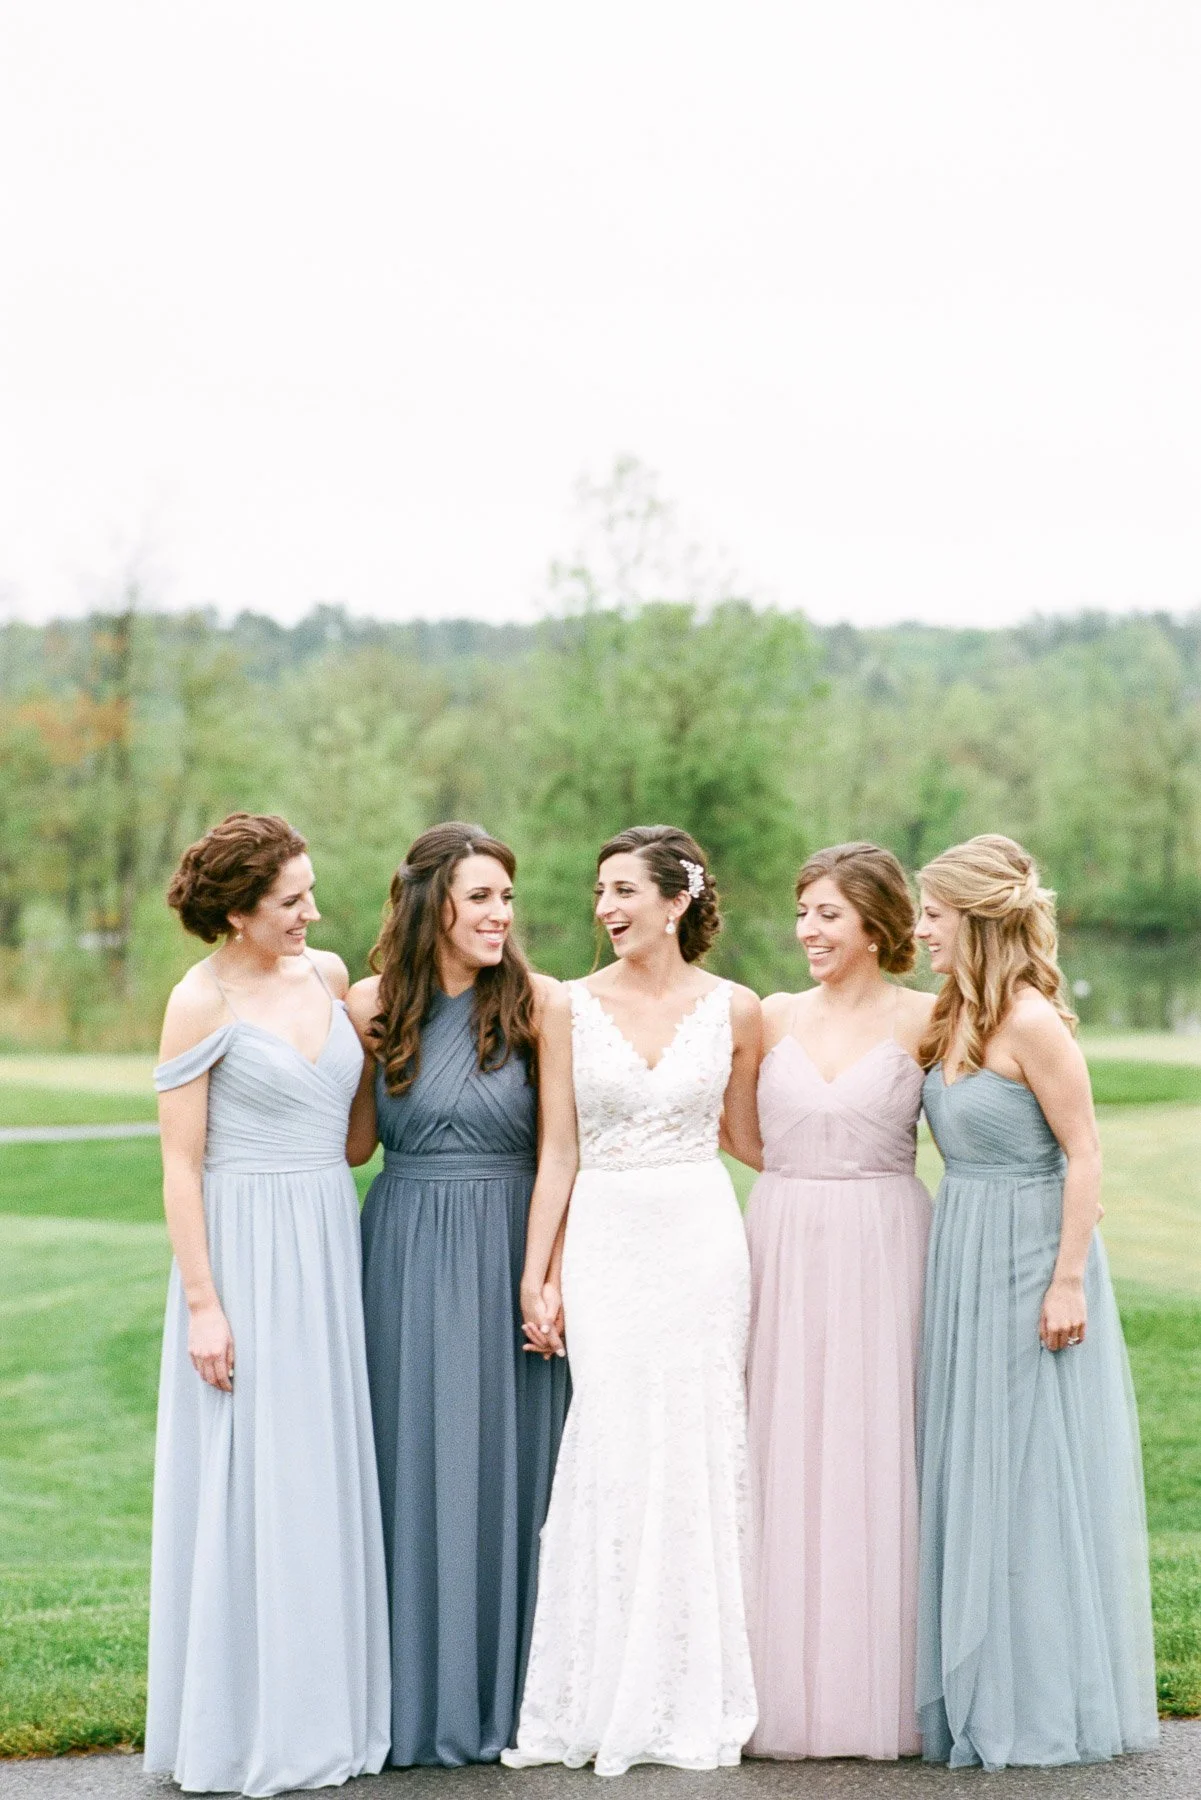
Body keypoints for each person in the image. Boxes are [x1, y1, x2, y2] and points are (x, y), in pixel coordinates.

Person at [503, 824, 763, 1777]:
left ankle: (693, 1692)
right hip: (607, 1241)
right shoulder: (565, 1007)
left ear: (675, 899)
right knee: (611, 1444)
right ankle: (597, 1693)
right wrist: (541, 1271)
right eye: (599, 892)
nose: (604, 908)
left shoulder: (737, 1010)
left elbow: (746, 1136)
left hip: (701, 1239)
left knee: (698, 1446)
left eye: (621, 891)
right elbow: (557, 1150)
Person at [145, 813, 389, 1797]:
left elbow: (355, 1134)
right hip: (242, 1252)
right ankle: (241, 1723)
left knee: (318, 1469)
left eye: (311, 894)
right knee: (249, 1476)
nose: (312, 913)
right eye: (291, 901)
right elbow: (178, 1161)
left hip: (326, 1237)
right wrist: (205, 1304)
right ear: (239, 910)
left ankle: (324, 1712)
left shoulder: (329, 978)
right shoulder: (197, 1002)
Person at [914, 833, 1158, 1770]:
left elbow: (1085, 1151)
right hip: (964, 1247)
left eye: (933, 913)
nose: (922, 928)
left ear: (973, 919)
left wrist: (1065, 1279)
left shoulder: (1029, 1021)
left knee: (1026, 1472)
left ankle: (1038, 1698)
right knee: (974, 1464)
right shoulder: (953, 1016)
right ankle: (978, 1689)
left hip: (1029, 1257)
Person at [347, 823, 571, 1767]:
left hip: (506, 1247)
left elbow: (562, 1146)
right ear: (432, 902)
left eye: (506, 900)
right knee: (408, 1460)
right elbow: (354, 1145)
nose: (500, 916)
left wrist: (540, 1270)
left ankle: (518, 1693)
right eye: (481, 897)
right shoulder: (368, 1004)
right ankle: (403, 1697)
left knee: (507, 1464)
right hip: (400, 1247)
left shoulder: (539, 1002)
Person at [745, 842, 935, 1759]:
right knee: (780, 1441)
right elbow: (739, 1130)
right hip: (781, 1237)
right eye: (801, 912)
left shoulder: (929, 1019)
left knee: (873, 1442)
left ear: (874, 922)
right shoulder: (770, 1014)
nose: (806, 931)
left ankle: (879, 1682)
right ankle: (775, 1680)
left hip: (885, 1243)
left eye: (825, 914)